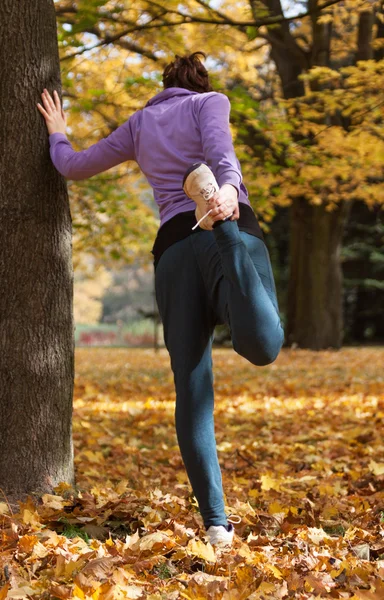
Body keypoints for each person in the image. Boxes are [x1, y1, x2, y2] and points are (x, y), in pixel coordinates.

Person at [37, 52, 285, 547]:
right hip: (223, 225)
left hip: (173, 252)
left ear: (162, 88)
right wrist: (230, 191)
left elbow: (72, 165)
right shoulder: (210, 102)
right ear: (199, 83)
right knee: (264, 347)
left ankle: (216, 523)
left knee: (193, 391)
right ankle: (224, 228)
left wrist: (58, 130)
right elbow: (220, 151)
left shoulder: (138, 123)